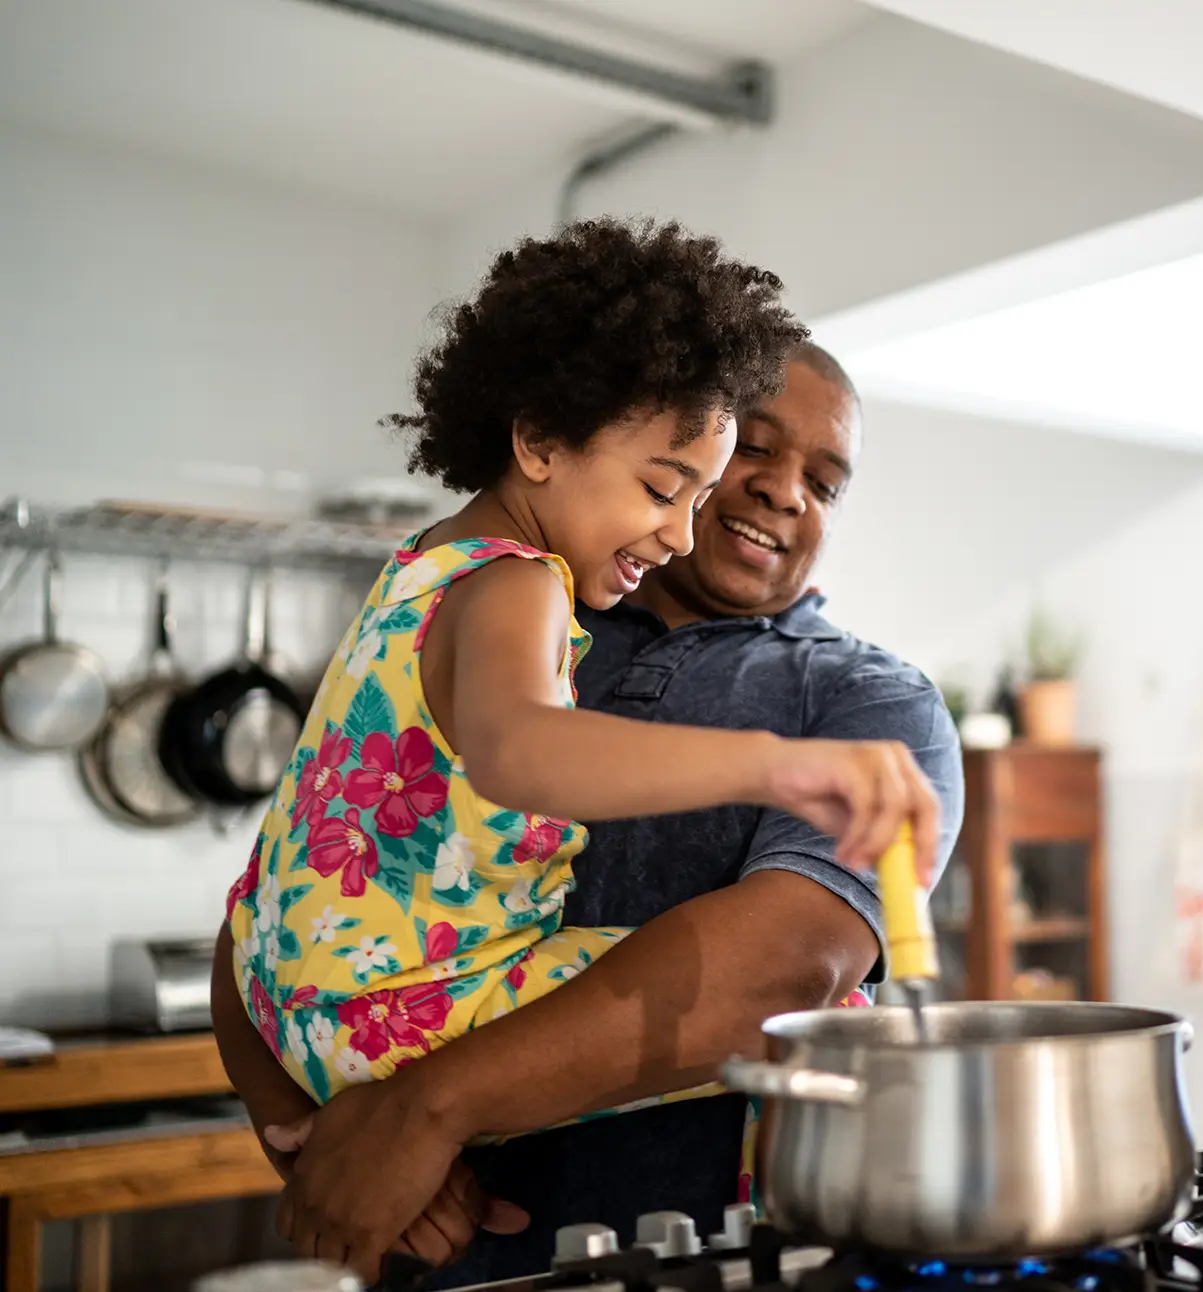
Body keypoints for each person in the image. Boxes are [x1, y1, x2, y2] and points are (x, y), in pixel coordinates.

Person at [207, 222, 949, 1282]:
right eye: (684, 479)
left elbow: (274, 901)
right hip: (403, 1101)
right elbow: (521, 751)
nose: (697, 523)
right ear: (545, 439)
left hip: (343, 1028)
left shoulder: (424, 572)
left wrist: (405, 1114)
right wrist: (330, 1145)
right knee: (831, 1022)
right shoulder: (521, 591)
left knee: (801, 989)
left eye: (825, 482)